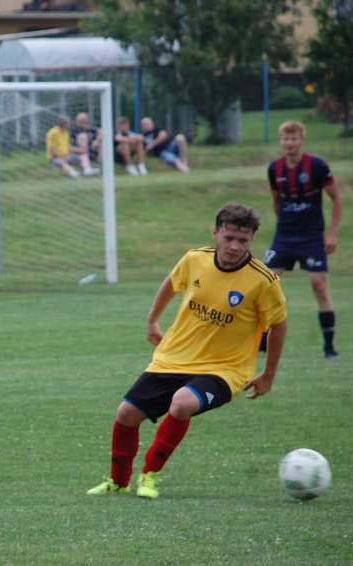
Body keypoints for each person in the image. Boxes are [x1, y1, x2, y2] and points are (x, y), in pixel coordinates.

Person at [87, 203, 287, 499]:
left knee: (181, 404)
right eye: (228, 238)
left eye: (242, 241)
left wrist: (268, 375)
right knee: (126, 414)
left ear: (252, 240)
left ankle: (150, 476)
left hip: (224, 369)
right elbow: (171, 283)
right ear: (215, 232)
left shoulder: (263, 281)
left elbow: (279, 325)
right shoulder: (195, 260)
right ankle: (118, 482)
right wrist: (153, 319)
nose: (234, 246)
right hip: (174, 358)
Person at [265, 120, 342, 359]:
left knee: (319, 287)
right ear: (281, 142)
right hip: (284, 237)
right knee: (264, 283)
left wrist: (331, 234)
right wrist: (285, 227)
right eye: (285, 139)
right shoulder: (274, 169)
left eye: (294, 138)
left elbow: (336, 199)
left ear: (302, 140)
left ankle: (329, 347)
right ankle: (260, 342)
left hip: (311, 237)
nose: (289, 143)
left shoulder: (317, 166)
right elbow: (276, 203)